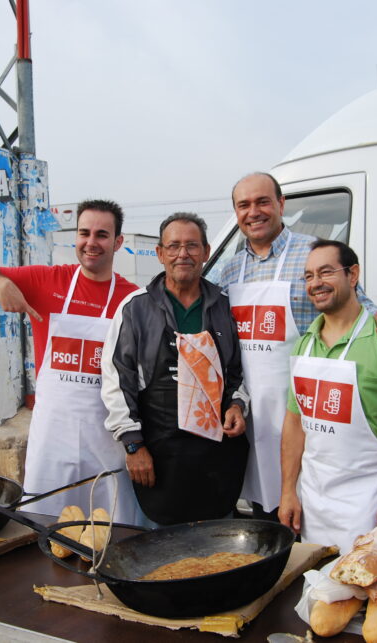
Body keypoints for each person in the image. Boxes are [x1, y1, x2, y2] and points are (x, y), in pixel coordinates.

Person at [216, 172, 377, 521]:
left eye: (262, 202)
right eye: (244, 205)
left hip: (312, 411)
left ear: (281, 204)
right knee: (267, 518)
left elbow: (358, 306)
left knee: (314, 515)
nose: (253, 212)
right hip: (253, 418)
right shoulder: (229, 271)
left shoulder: (310, 253)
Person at [0, 199, 144, 524]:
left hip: (106, 441)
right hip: (53, 438)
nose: (91, 242)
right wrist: (1, 283)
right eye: (84, 233)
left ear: (118, 242)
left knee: (114, 530)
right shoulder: (47, 280)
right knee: (45, 528)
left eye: (102, 235)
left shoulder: (133, 299)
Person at [279, 239, 377, 552]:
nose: (316, 283)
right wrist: (287, 491)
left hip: (369, 506)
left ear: (353, 275)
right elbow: (295, 424)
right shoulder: (303, 346)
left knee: (365, 592)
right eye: (308, 276)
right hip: (313, 506)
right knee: (320, 593)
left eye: (325, 272)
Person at [101, 212, 250, 526]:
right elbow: (117, 381)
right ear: (159, 253)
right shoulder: (135, 309)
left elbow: (237, 371)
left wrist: (237, 404)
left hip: (215, 458)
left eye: (192, 246)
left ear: (206, 252)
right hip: (159, 454)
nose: (183, 254)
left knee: (217, 548)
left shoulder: (225, 305)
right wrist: (133, 445)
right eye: (174, 246)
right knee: (160, 551)